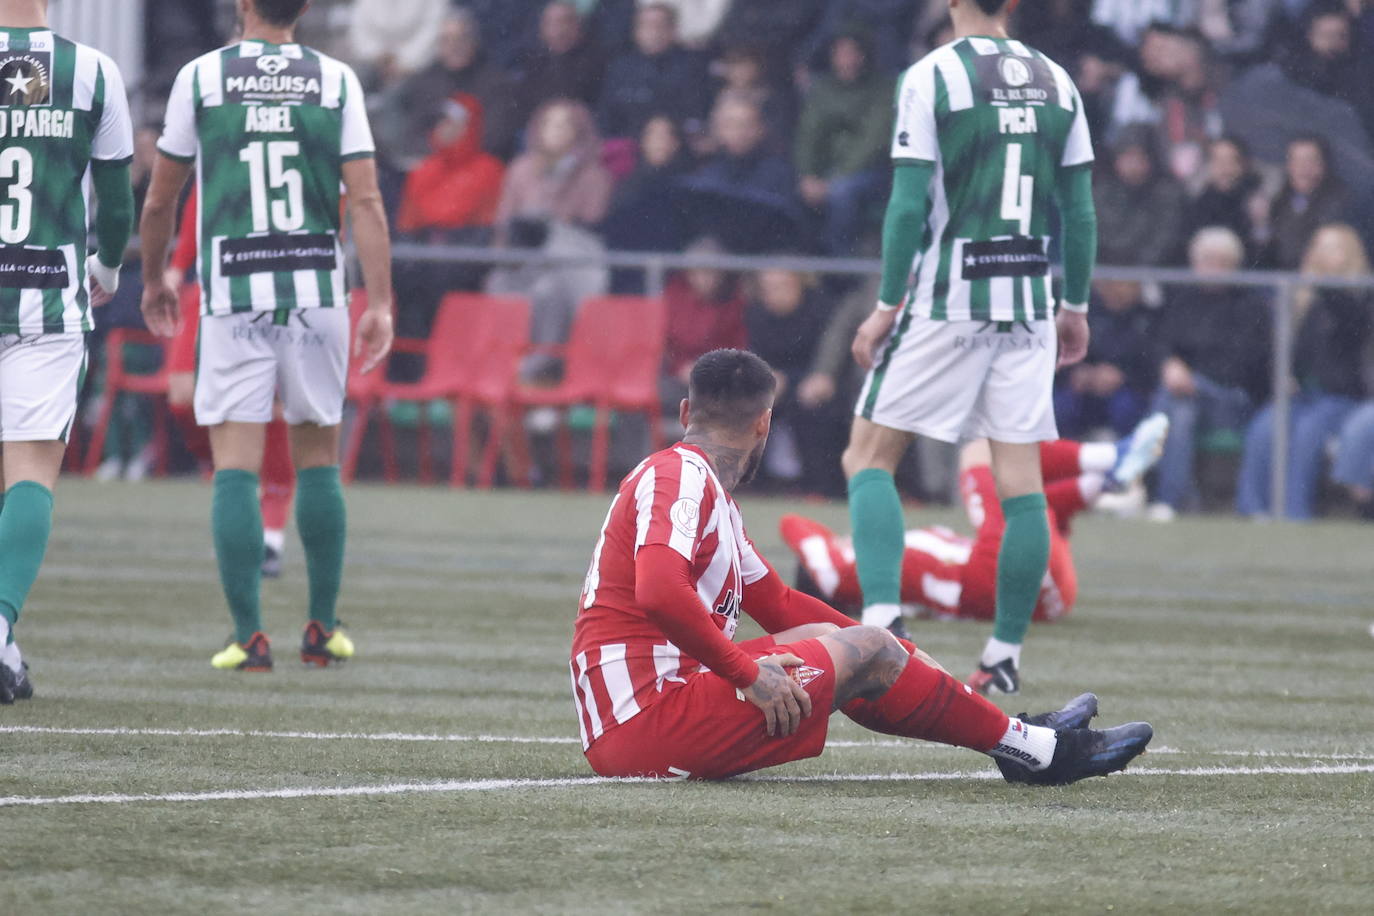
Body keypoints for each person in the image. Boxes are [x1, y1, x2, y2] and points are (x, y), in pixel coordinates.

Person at [572, 348, 1153, 783]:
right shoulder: (680, 476)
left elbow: (777, 603)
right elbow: (657, 589)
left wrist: (888, 646)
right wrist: (749, 675)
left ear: (683, 412)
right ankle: (1039, 753)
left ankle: (1018, 741)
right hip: (644, 721)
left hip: (659, 704)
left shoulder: (703, 489)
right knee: (868, 648)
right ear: (763, 424)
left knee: (854, 640)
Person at [842, 0, 1099, 696]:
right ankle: (1005, 651)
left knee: (869, 456)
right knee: (1021, 486)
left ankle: (884, 621)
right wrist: (1073, 304)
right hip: (1028, 304)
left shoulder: (932, 76)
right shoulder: (1058, 79)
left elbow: (906, 204)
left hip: (949, 297)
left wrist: (886, 305)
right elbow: (1078, 210)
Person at [139, 0, 396, 671]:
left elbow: (162, 198)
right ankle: (321, 629)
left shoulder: (201, 77)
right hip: (316, 291)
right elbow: (366, 200)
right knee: (318, 458)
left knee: (235, 464)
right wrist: (382, 301)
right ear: (304, 9)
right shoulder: (335, 80)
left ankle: (249, 636)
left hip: (234, 290)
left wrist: (153, 278)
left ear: (241, 5)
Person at [0, 0, 135, 703]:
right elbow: (116, 204)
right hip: (47, 298)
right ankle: (1, 629)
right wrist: (108, 268)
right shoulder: (93, 71)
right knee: (27, 469)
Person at [782, 417, 1168, 622]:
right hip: (1000, 579)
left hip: (1046, 595)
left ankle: (1106, 481)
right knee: (985, 452)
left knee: (1029, 500)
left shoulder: (867, 577)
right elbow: (793, 523)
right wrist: (822, 546)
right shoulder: (844, 572)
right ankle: (1110, 459)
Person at [164, 189, 297, 578]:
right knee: (182, 396)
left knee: (274, 407)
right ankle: (223, 467)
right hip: (215, 288)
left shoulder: (304, 141)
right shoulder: (221, 136)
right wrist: (177, 264)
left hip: (278, 290)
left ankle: (271, 533)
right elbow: (200, 199)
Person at [1236, 224, 1372, 520]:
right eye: (1318, 246)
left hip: (1341, 397)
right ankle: (1252, 509)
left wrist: (1323, 285)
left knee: (1308, 434)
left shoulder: (1361, 296)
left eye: (1331, 248)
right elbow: (1293, 351)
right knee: (1264, 427)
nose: (1321, 255)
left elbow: (1353, 326)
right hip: (1304, 395)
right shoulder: (1303, 300)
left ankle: (1294, 512)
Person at [1148, 227, 1270, 518]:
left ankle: (1165, 498)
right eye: (1207, 260)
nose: (1213, 268)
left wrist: (1195, 381)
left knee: (1170, 406)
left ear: (1235, 265)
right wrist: (1169, 363)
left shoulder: (1251, 305)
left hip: (1234, 399)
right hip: (1186, 396)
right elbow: (1160, 342)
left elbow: (1247, 365)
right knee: (1178, 409)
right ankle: (1172, 498)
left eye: (1221, 261)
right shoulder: (1182, 299)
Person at [794, 30, 893, 256]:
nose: (846, 60)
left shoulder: (884, 90)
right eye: (840, 53)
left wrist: (832, 180)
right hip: (825, 172)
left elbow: (873, 141)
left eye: (852, 53)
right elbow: (808, 134)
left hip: (872, 171)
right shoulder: (821, 89)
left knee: (841, 193)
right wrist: (807, 174)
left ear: (864, 55)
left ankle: (839, 259)